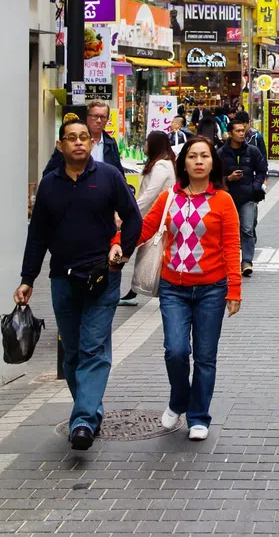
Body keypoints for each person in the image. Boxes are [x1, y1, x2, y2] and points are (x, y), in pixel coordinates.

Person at [15, 120, 141, 450]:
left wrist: (122, 251)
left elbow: (134, 219)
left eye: (84, 137)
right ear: (61, 146)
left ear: (91, 142)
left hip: (103, 277)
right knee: (71, 355)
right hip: (63, 279)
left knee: (93, 349)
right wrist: (27, 279)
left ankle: (82, 419)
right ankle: (91, 409)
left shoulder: (109, 177)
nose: (78, 143)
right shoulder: (49, 185)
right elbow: (37, 234)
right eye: (71, 138)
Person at [138, 137, 241, 439]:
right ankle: (178, 399)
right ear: (183, 162)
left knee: (206, 357)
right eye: (193, 156)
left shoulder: (223, 200)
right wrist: (118, 244)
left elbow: (232, 245)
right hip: (173, 288)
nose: (198, 161)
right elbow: (145, 228)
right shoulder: (170, 196)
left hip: (211, 289)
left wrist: (234, 289)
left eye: (204, 156)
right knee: (176, 351)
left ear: (212, 162)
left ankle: (199, 416)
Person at [119, 131, 177, 307]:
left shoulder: (161, 166)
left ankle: (143, 290)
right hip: (153, 216)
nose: (144, 145)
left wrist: (131, 212)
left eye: (146, 142)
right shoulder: (164, 163)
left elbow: (150, 193)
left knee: (148, 253)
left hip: (155, 218)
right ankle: (134, 291)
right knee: (147, 253)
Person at [219, 118, 268, 277]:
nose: (241, 133)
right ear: (230, 133)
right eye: (238, 131)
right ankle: (228, 261)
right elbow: (214, 176)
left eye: (243, 130)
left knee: (247, 229)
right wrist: (228, 179)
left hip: (248, 196)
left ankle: (247, 261)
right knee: (226, 232)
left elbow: (262, 170)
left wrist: (255, 187)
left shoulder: (252, 151)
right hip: (227, 198)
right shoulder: (220, 153)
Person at [43, 102, 123, 177]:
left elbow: (119, 174)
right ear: (87, 117)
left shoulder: (111, 143)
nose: (99, 121)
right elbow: (49, 173)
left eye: (103, 117)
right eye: (95, 116)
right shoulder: (69, 142)